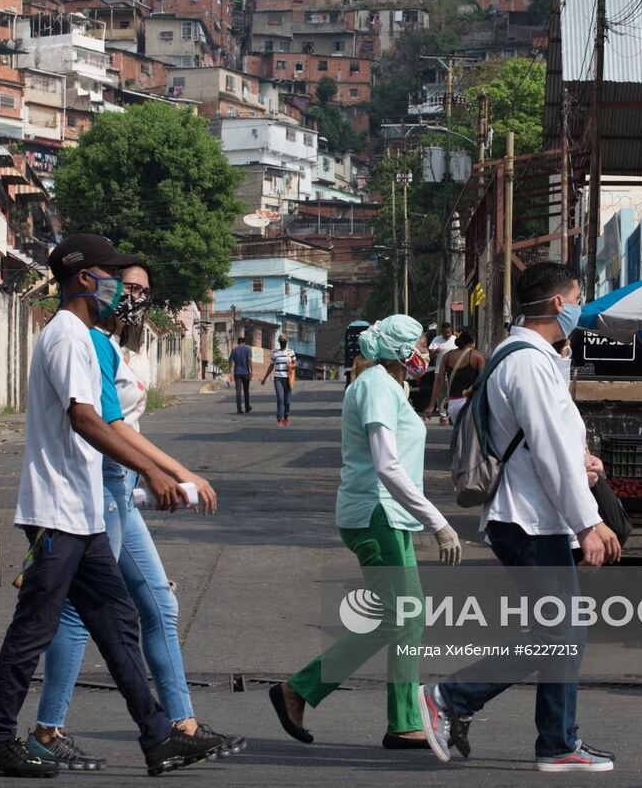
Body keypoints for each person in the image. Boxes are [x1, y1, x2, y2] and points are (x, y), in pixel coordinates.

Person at [0, 234, 225, 778]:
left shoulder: (87, 338)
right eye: (110, 273)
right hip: (55, 513)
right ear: (85, 278)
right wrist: (153, 472)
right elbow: (86, 419)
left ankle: (159, 737)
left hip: (84, 515)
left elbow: (106, 421)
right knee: (34, 629)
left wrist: (161, 471)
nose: (117, 284)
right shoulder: (65, 334)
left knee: (117, 626)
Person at [31, 262, 242, 770]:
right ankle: (47, 729)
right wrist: (160, 471)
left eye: (146, 290)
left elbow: (128, 424)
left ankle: (182, 723)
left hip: (119, 486)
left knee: (158, 607)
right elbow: (106, 425)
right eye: (129, 287)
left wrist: (158, 471)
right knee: (81, 611)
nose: (136, 297)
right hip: (104, 486)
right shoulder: (89, 342)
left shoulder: (113, 347)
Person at [417, 262, 621, 774]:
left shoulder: (529, 356)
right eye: (577, 296)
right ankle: (449, 697)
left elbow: (548, 441)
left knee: (562, 630)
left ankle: (557, 742)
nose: (579, 305)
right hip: (529, 518)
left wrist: (582, 463)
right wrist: (587, 522)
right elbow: (549, 449)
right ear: (559, 304)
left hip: (534, 515)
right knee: (559, 632)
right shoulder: (526, 362)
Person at [271, 314, 460, 750]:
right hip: (376, 514)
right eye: (419, 343)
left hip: (389, 516)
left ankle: (405, 721)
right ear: (398, 350)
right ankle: (299, 688)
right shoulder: (376, 384)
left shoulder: (389, 386)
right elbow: (386, 464)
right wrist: (439, 522)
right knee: (399, 616)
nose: (425, 351)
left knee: (409, 619)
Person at [424, 331, 483, 424]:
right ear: (473, 341)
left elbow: (439, 381)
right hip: (470, 402)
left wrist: (431, 405)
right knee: (471, 435)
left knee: (458, 432)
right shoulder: (477, 356)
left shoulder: (447, 356)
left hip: (453, 404)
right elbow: (483, 380)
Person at [263, 336, 297, 427]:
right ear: (279, 342)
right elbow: (271, 366)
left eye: (284, 340)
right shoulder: (275, 353)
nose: (283, 342)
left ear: (286, 341)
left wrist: (291, 366)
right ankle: (279, 419)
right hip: (278, 378)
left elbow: (295, 363)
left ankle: (286, 417)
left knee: (287, 401)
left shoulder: (291, 352)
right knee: (280, 399)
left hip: (288, 379)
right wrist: (265, 378)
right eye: (281, 340)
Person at [229, 336, 253, 414]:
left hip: (237, 373)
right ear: (244, 342)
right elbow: (249, 360)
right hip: (246, 373)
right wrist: (252, 370)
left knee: (238, 392)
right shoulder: (248, 349)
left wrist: (230, 371)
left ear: (238, 342)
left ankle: (239, 409)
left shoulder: (234, 350)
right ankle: (247, 408)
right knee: (246, 391)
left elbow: (230, 361)